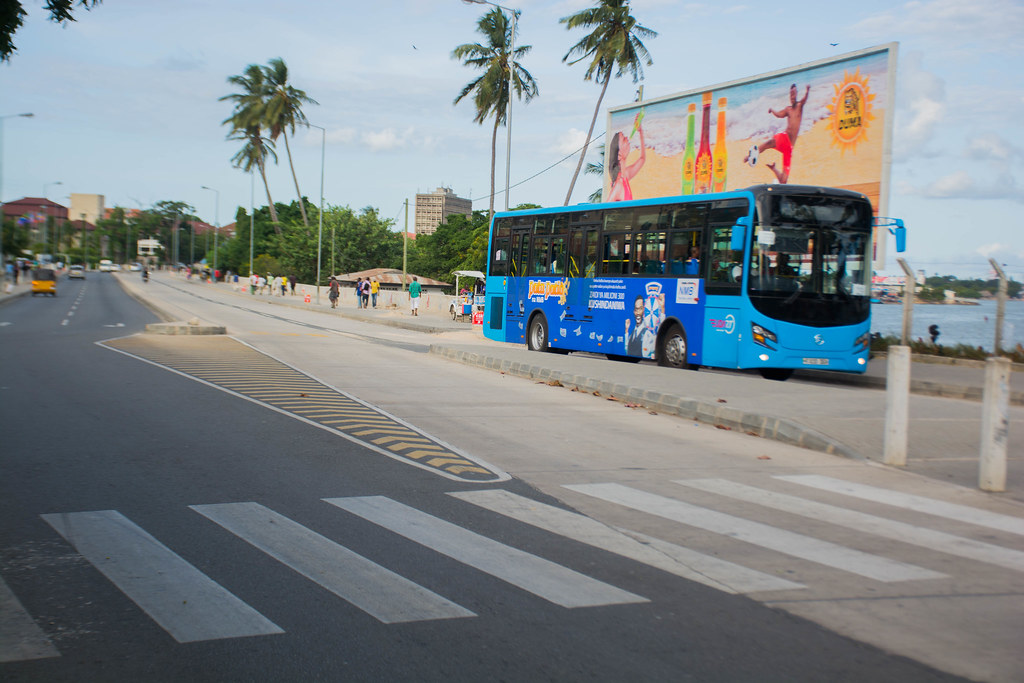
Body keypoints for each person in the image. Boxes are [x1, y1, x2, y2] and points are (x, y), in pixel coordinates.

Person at [743, 83, 810, 184]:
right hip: (784, 137)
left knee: (783, 181)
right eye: (790, 94)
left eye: (794, 94)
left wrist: (807, 91)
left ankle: (773, 168)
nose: (792, 96)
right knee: (768, 143)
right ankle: (750, 156)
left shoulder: (799, 106)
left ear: (797, 94)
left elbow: (804, 99)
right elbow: (779, 115)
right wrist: (772, 110)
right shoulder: (788, 109)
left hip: (789, 147)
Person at [607, 113, 646, 202]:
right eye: (623, 139)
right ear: (619, 155)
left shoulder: (625, 176)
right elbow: (604, 208)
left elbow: (642, 159)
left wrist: (640, 132)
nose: (627, 139)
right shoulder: (618, 185)